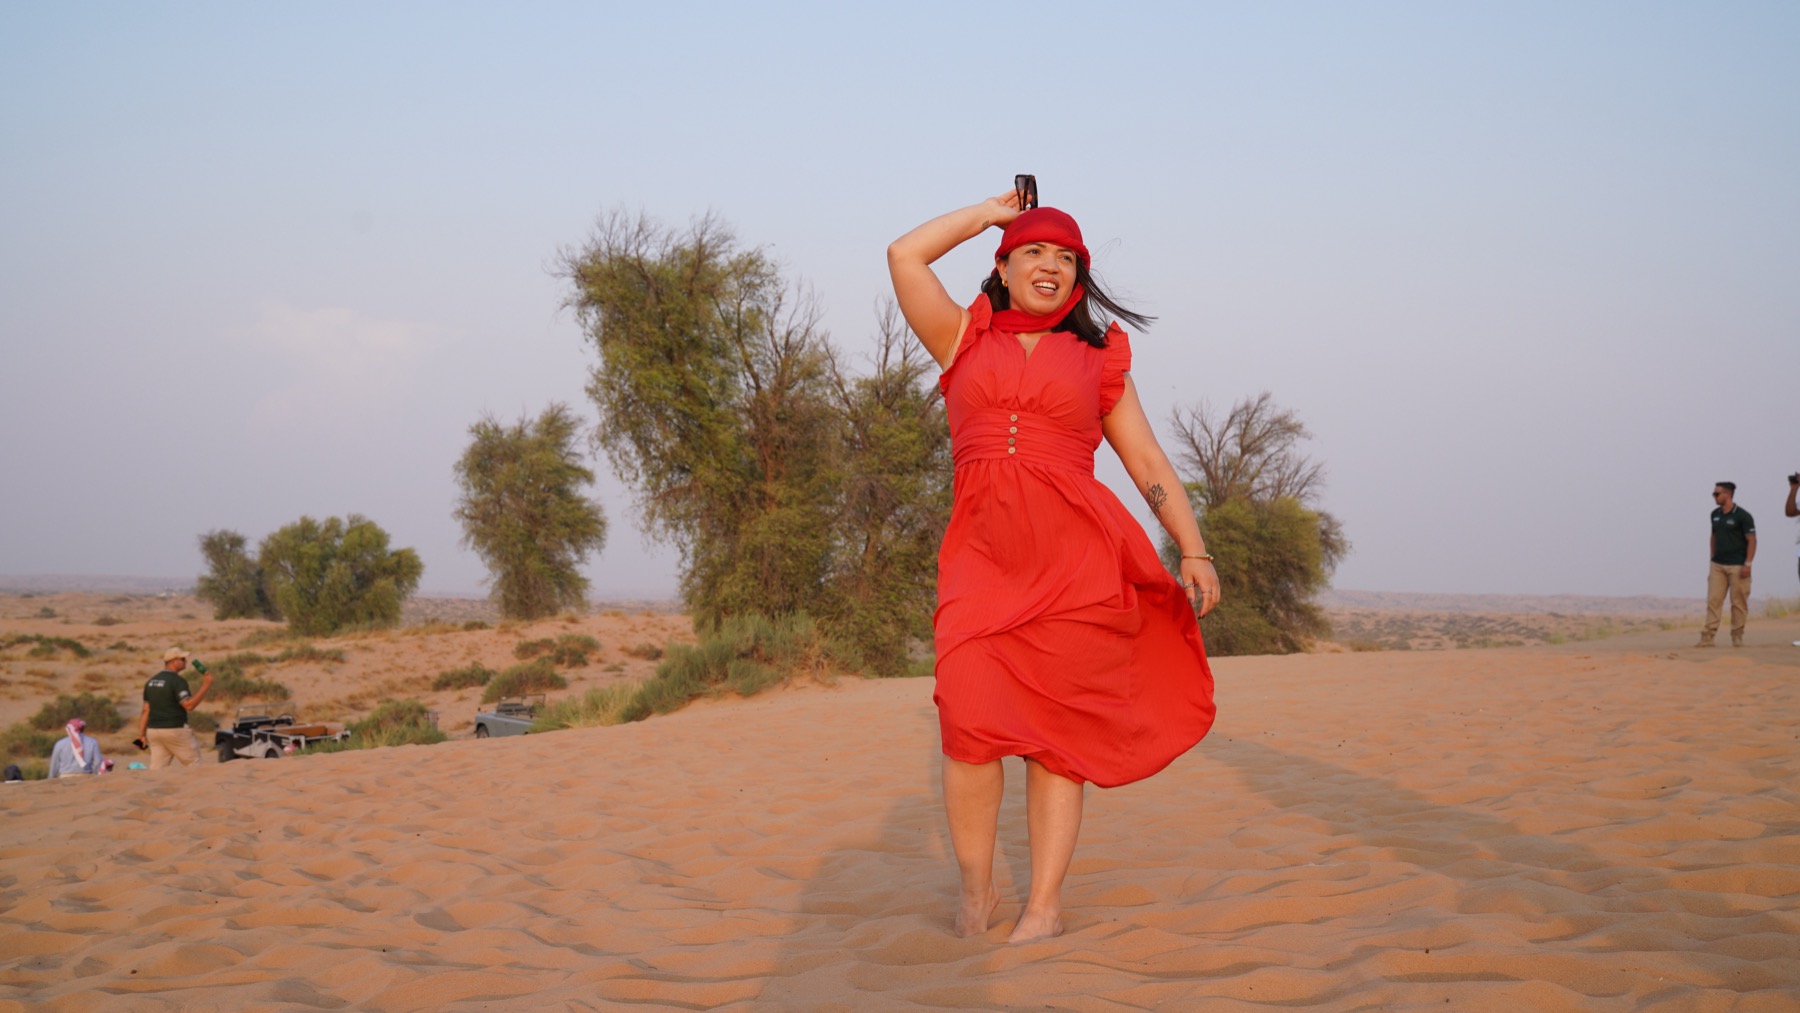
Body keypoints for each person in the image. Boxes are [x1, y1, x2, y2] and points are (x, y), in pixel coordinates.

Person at [888, 190, 1217, 943]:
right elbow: (904, 255)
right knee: (968, 724)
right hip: (980, 561)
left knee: (1054, 740)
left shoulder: (1097, 357)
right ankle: (977, 892)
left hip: (1075, 562)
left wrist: (1190, 544)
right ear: (1001, 269)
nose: (1052, 265)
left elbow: (1145, 458)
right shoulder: (960, 338)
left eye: (1067, 257)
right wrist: (995, 213)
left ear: (1078, 279)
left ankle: (1043, 905)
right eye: (1034, 251)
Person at [134, 647, 213, 768]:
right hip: (175, 729)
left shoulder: (151, 682)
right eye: (182, 659)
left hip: (154, 732)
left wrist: (141, 735)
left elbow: (146, 710)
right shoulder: (177, 681)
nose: (186, 661)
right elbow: (189, 705)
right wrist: (206, 685)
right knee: (195, 765)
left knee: (157, 770)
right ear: (173, 661)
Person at [1699, 482, 1756, 647]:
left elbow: (1752, 540)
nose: (1714, 497)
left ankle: (1737, 636)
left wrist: (1748, 563)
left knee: (1738, 602)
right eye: (1713, 494)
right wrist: (1712, 556)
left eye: (1717, 494)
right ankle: (1707, 637)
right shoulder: (1714, 514)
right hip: (1718, 565)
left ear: (1728, 494)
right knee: (1713, 600)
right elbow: (1714, 536)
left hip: (1738, 565)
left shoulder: (1743, 516)